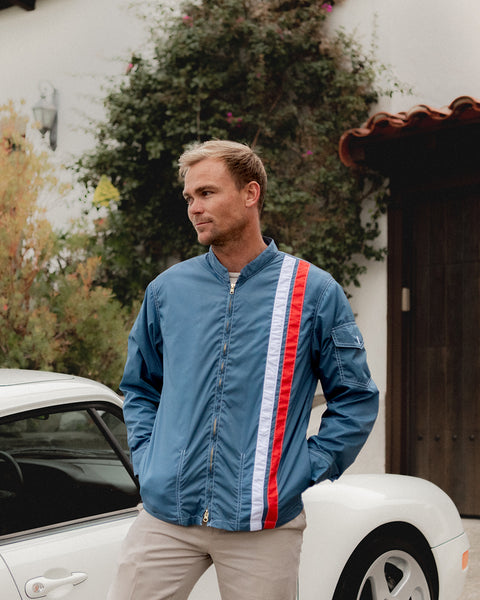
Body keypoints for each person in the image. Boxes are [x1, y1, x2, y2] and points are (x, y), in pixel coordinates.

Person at [108, 140, 379, 600]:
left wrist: (305, 468)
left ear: (250, 193)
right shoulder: (166, 291)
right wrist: (148, 458)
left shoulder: (313, 292)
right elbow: (139, 387)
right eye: (190, 197)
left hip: (263, 524)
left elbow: (354, 397)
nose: (195, 208)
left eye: (208, 193)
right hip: (166, 516)